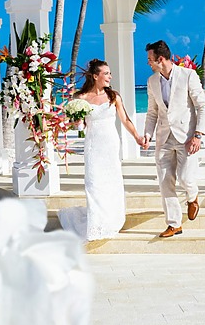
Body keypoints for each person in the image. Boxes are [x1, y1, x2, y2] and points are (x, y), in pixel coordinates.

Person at [58, 59, 144, 241]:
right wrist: (76, 121)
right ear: (95, 76)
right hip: (93, 146)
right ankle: (96, 224)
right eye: (106, 73)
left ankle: (111, 221)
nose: (110, 77)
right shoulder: (81, 98)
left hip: (110, 145)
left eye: (110, 73)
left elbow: (126, 120)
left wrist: (137, 137)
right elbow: (80, 128)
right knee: (94, 184)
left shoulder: (113, 96)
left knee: (111, 183)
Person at [142, 40, 205, 238]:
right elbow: (152, 112)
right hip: (163, 138)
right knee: (165, 182)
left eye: (150, 59)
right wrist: (147, 133)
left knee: (186, 178)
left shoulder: (188, 75)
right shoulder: (151, 81)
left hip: (187, 137)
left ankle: (193, 196)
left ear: (160, 59)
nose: (148, 63)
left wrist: (198, 134)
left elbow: (202, 106)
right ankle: (174, 224)